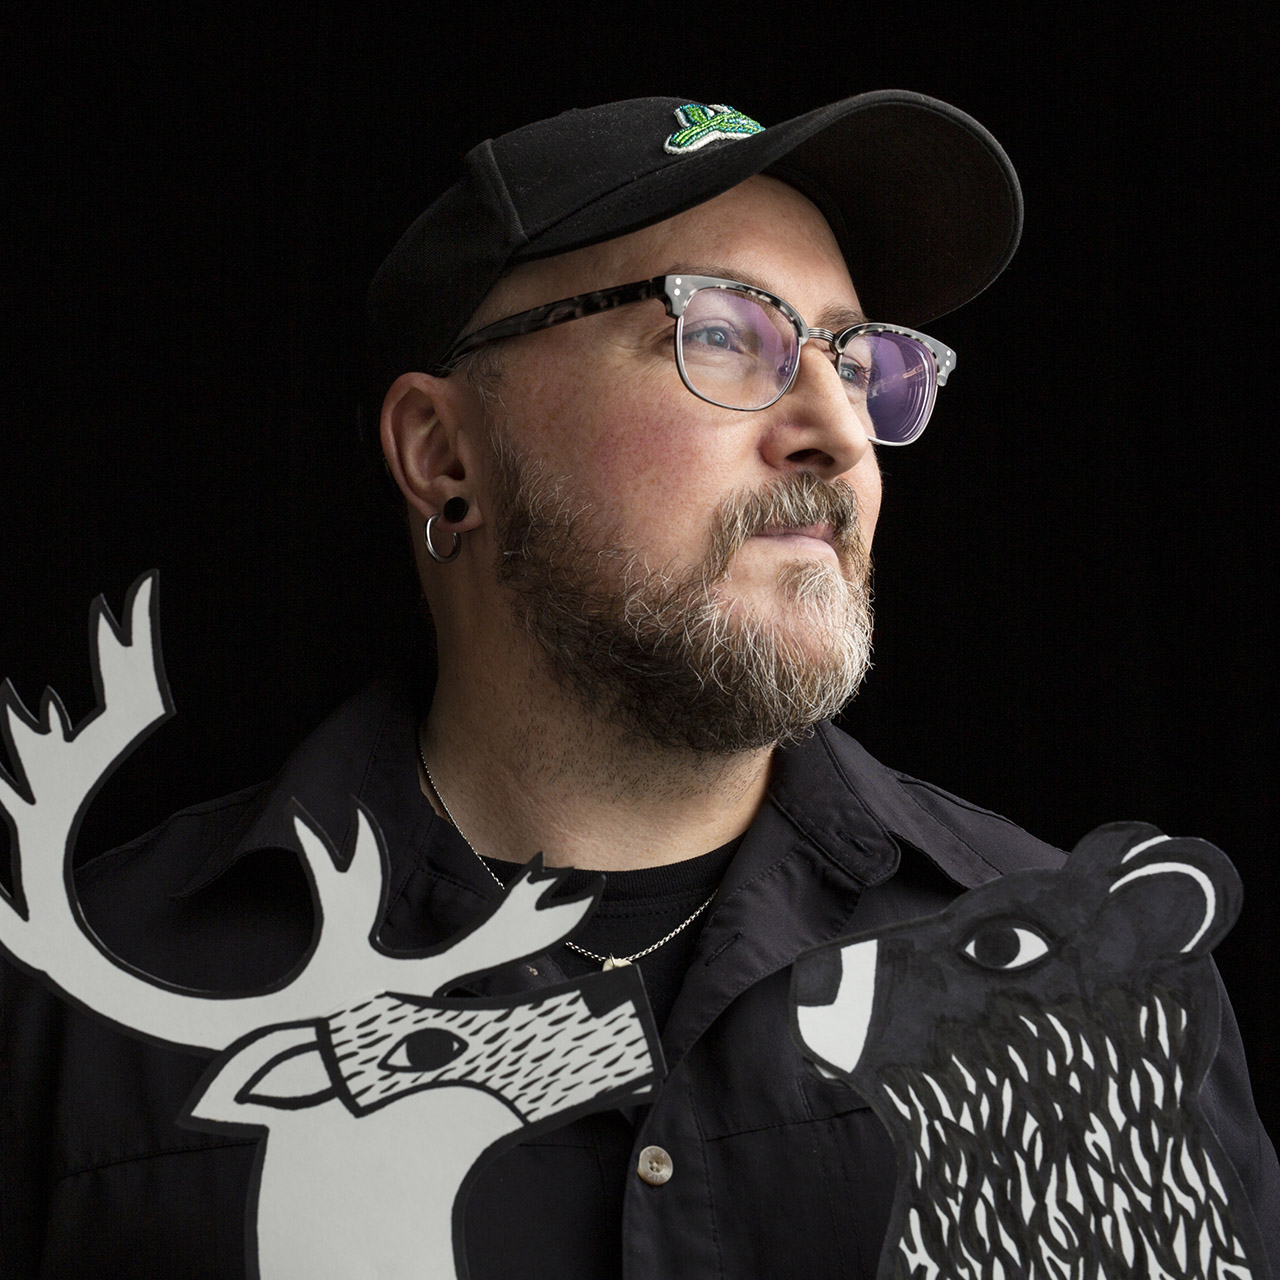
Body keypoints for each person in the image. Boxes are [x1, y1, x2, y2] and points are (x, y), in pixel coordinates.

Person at [1, 92, 1276, 1277]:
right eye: (722, 333)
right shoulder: (76, 1008)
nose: (834, 428)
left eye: (853, 357)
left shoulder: (1088, 973)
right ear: (446, 457)